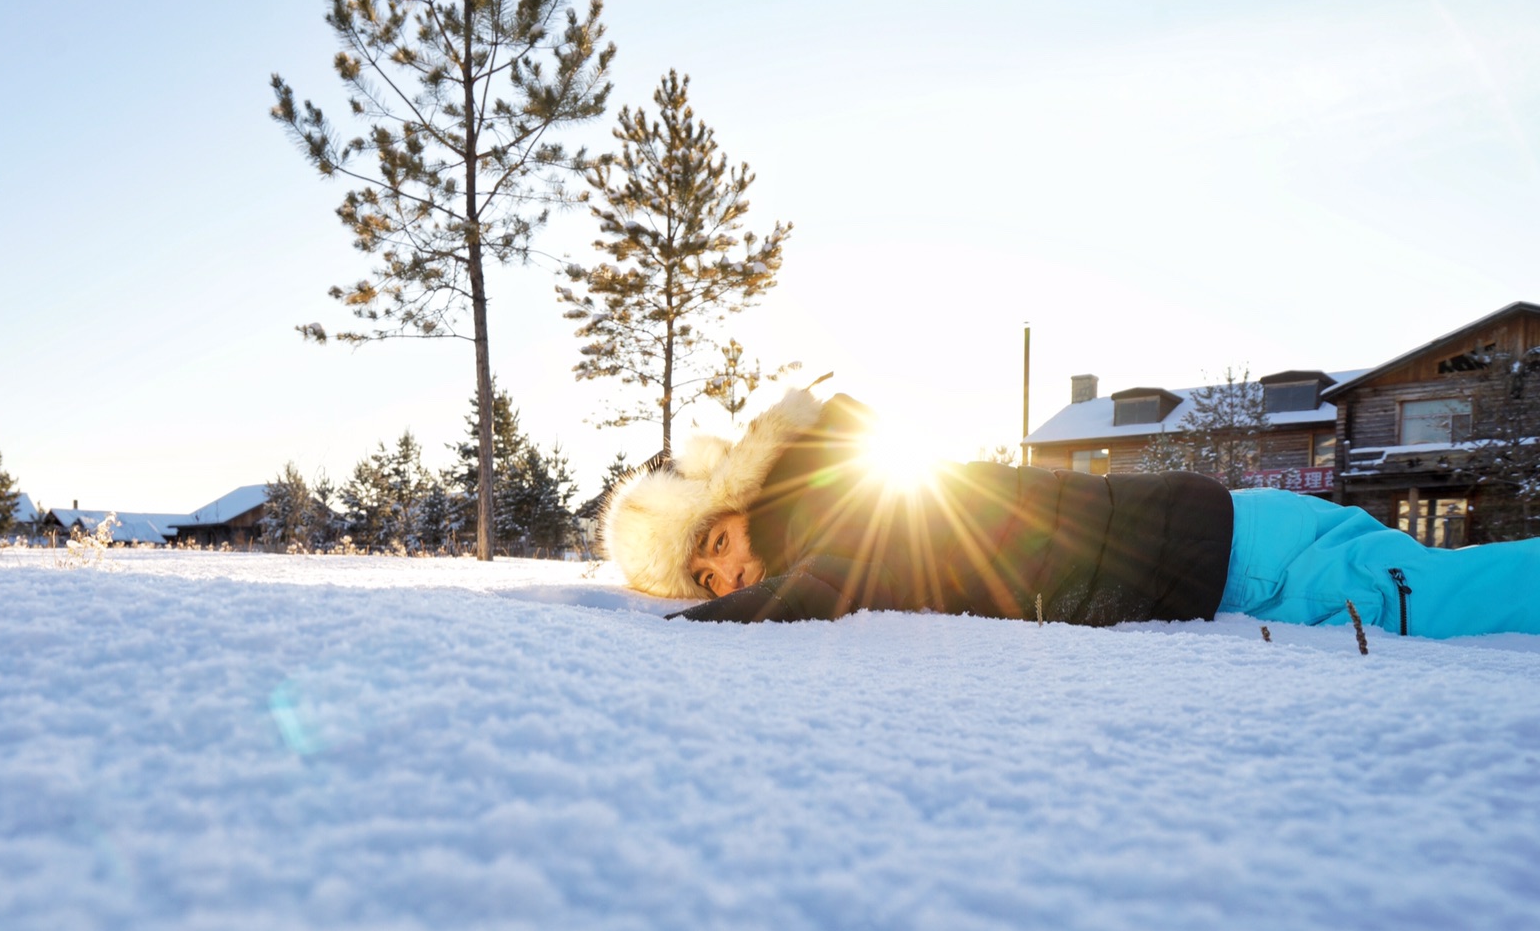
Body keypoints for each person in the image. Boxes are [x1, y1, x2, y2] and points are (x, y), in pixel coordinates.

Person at [602, 386, 1540, 638]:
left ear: (741, 498)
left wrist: (671, 632)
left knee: (1470, 602)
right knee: (1467, 591)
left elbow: (821, 588)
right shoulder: (835, 501)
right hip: (1233, 545)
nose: (729, 578)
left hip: (1248, 559)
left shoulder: (840, 510)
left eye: (717, 546)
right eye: (707, 581)